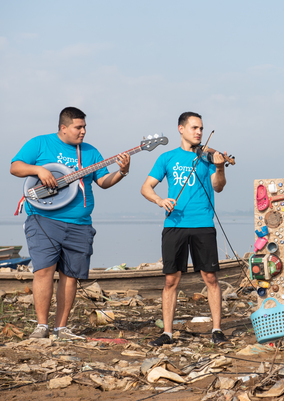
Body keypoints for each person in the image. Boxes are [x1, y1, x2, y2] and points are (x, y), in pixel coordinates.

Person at [10, 107, 131, 340]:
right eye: (78, 127)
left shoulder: (90, 151)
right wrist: (38, 169)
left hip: (80, 223)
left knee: (70, 274)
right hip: (44, 219)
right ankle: (41, 326)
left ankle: (61, 328)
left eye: (85, 127)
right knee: (44, 270)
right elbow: (15, 167)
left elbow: (104, 181)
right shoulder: (40, 143)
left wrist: (122, 172)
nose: (83, 131)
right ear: (63, 128)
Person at [141, 112, 228, 346]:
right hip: (174, 224)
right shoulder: (167, 158)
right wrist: (160, 200)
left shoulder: (208, 159)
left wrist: (220, 168)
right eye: (194, 128)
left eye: (201, 128)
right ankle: (167, 333)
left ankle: (217, 329)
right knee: (171, 280)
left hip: (203, 224)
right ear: (181, 129)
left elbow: (218, 187)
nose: (199, 132)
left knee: (210, 277)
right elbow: (146, 187)